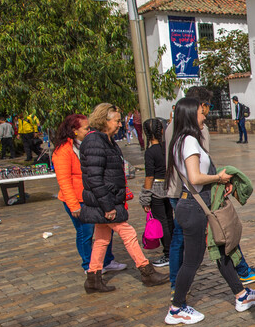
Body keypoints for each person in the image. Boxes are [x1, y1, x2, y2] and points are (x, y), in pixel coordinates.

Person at [165, 97, 255, 325]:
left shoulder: (180, 140)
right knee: (192, 260)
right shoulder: (189, 141)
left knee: (221, 250)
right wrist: (219, 177)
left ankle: (241, 295)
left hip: (193, 204)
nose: (205, 117)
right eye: (202, 113)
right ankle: (176, 308)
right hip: (195, 207)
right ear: (192, 115)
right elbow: (195, 177)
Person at [78, 103, 169, 293]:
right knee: (128, 233)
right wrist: (108, 206)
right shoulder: (95, 141)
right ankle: (146, 271)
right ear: (105, 120)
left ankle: (93, 278)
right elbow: (94, 178)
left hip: (108, 198)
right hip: (105, 201)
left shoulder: (105, 139)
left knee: (102, 238)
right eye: (117, 121)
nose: (120, 124)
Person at [52, 113, 125, 274]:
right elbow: (64, 181)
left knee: (105, 228)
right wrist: (74, 205)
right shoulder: (63, 151)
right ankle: (88, 265)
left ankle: (107, 260)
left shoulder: (89, 144)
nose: (89, 130)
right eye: (86, 128)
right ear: (74, 130)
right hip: (77, 199)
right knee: (85, 232)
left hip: (93, 196)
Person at [140, 118, 172, 267]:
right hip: (169, 188)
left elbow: (149, 176)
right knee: (170, 220)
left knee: (162, 222)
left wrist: (145, 197)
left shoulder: (150, 152)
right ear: (161, 131)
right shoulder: (166, 149)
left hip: (157, 191)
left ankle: (168, 253)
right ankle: (174, 249)